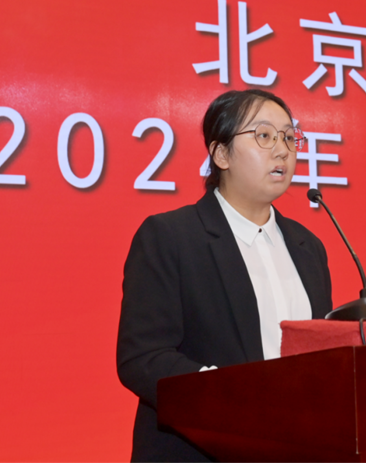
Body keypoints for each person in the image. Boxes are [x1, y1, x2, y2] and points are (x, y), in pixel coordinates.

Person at [117, 89, 333, 462]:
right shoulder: (171, 237)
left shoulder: (308, 246)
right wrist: (228, 396)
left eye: (289, 137)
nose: (282, 150)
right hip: (200, 451)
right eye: (264, 136)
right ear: (221, 154)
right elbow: (143, 357)